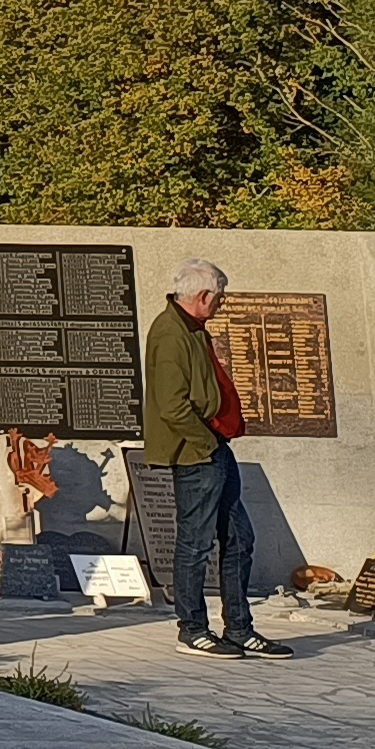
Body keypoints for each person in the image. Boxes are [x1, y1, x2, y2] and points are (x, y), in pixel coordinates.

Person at [144, 259, 289, 660]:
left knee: (240, 538)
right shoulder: (170, 333)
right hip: (197, 453)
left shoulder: (193, 329)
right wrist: (205, 443)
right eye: (220, 298)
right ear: (204, 295)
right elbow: (172, 405)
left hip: (214, 447)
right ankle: (192, 629)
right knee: (195, 543)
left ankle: (239, 628)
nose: (222, 304)